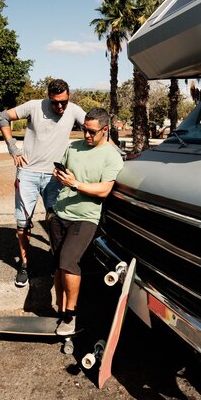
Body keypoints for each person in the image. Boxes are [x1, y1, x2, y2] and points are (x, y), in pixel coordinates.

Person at [0, 79, 86, 287]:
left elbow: (95, 127)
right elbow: (2, 117)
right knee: (23, 223)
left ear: (68, 96)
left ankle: (57, 264)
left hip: (54, 176)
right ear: (48, 97)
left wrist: (116, 153)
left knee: (56, 222)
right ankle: (25, 266)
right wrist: (12, 148)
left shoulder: (73, 110)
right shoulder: (34, 106)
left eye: (64, 101)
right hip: (27, 174)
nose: (60, 107)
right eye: (55, 103)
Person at [48, 107, 124, 336]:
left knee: (69, 262)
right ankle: (61, 311)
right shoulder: (73, 147)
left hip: (85, 217)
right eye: (84, 130)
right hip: (59, 214)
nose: (87, 135)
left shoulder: (111, 156)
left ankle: (70, 315)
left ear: (105, 129)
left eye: (92, 131)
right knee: (58, 266)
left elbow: (104, 190)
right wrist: (59, 176)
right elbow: (61, 173)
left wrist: (75, 184)